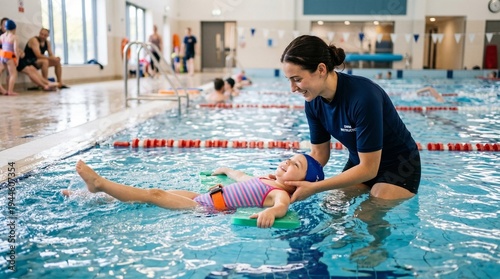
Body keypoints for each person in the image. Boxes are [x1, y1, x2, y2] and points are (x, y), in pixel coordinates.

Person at [280, 35, 421, 202]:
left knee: (369, 211)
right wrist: (287, 182)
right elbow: (319, 154)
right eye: (289, 80)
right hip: (360, 164)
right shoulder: (313, 102)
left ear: (321, 69)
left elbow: (369, 169)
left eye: (297, 80)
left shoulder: (363, 97)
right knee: (332, 204)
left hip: (399, 166)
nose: (293, 88)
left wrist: (314, 187)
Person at [63, 154, 324, 228]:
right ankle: (89, 195)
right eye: (290, 158)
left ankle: (100, 184)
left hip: (207, 208)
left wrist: (273, 214)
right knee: (151, 195)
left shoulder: (281, 193)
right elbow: (241, 177)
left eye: (296, 165)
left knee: (155, 195)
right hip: (204, 197)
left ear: (299, 183)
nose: (288, 162)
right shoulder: (266, 179)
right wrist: (227, 170)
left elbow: (281, 207)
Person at [0, 20, 19, 95]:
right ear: (14, 29)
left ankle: (4, 90)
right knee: (13, 74)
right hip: (10, 56)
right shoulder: (14, 37)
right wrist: (17, 59)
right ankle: (10, 91)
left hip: (2, 56)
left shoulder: (2, 36)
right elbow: (15, 50)